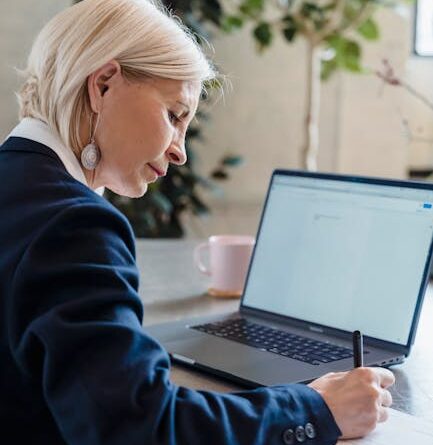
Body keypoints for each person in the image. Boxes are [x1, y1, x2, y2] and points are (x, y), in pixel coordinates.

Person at [0, 0, 394, 444]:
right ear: (104, 84)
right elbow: (144, 428)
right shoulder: (74, 227)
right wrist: (317, 408)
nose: (180, 151)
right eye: (173, 115)